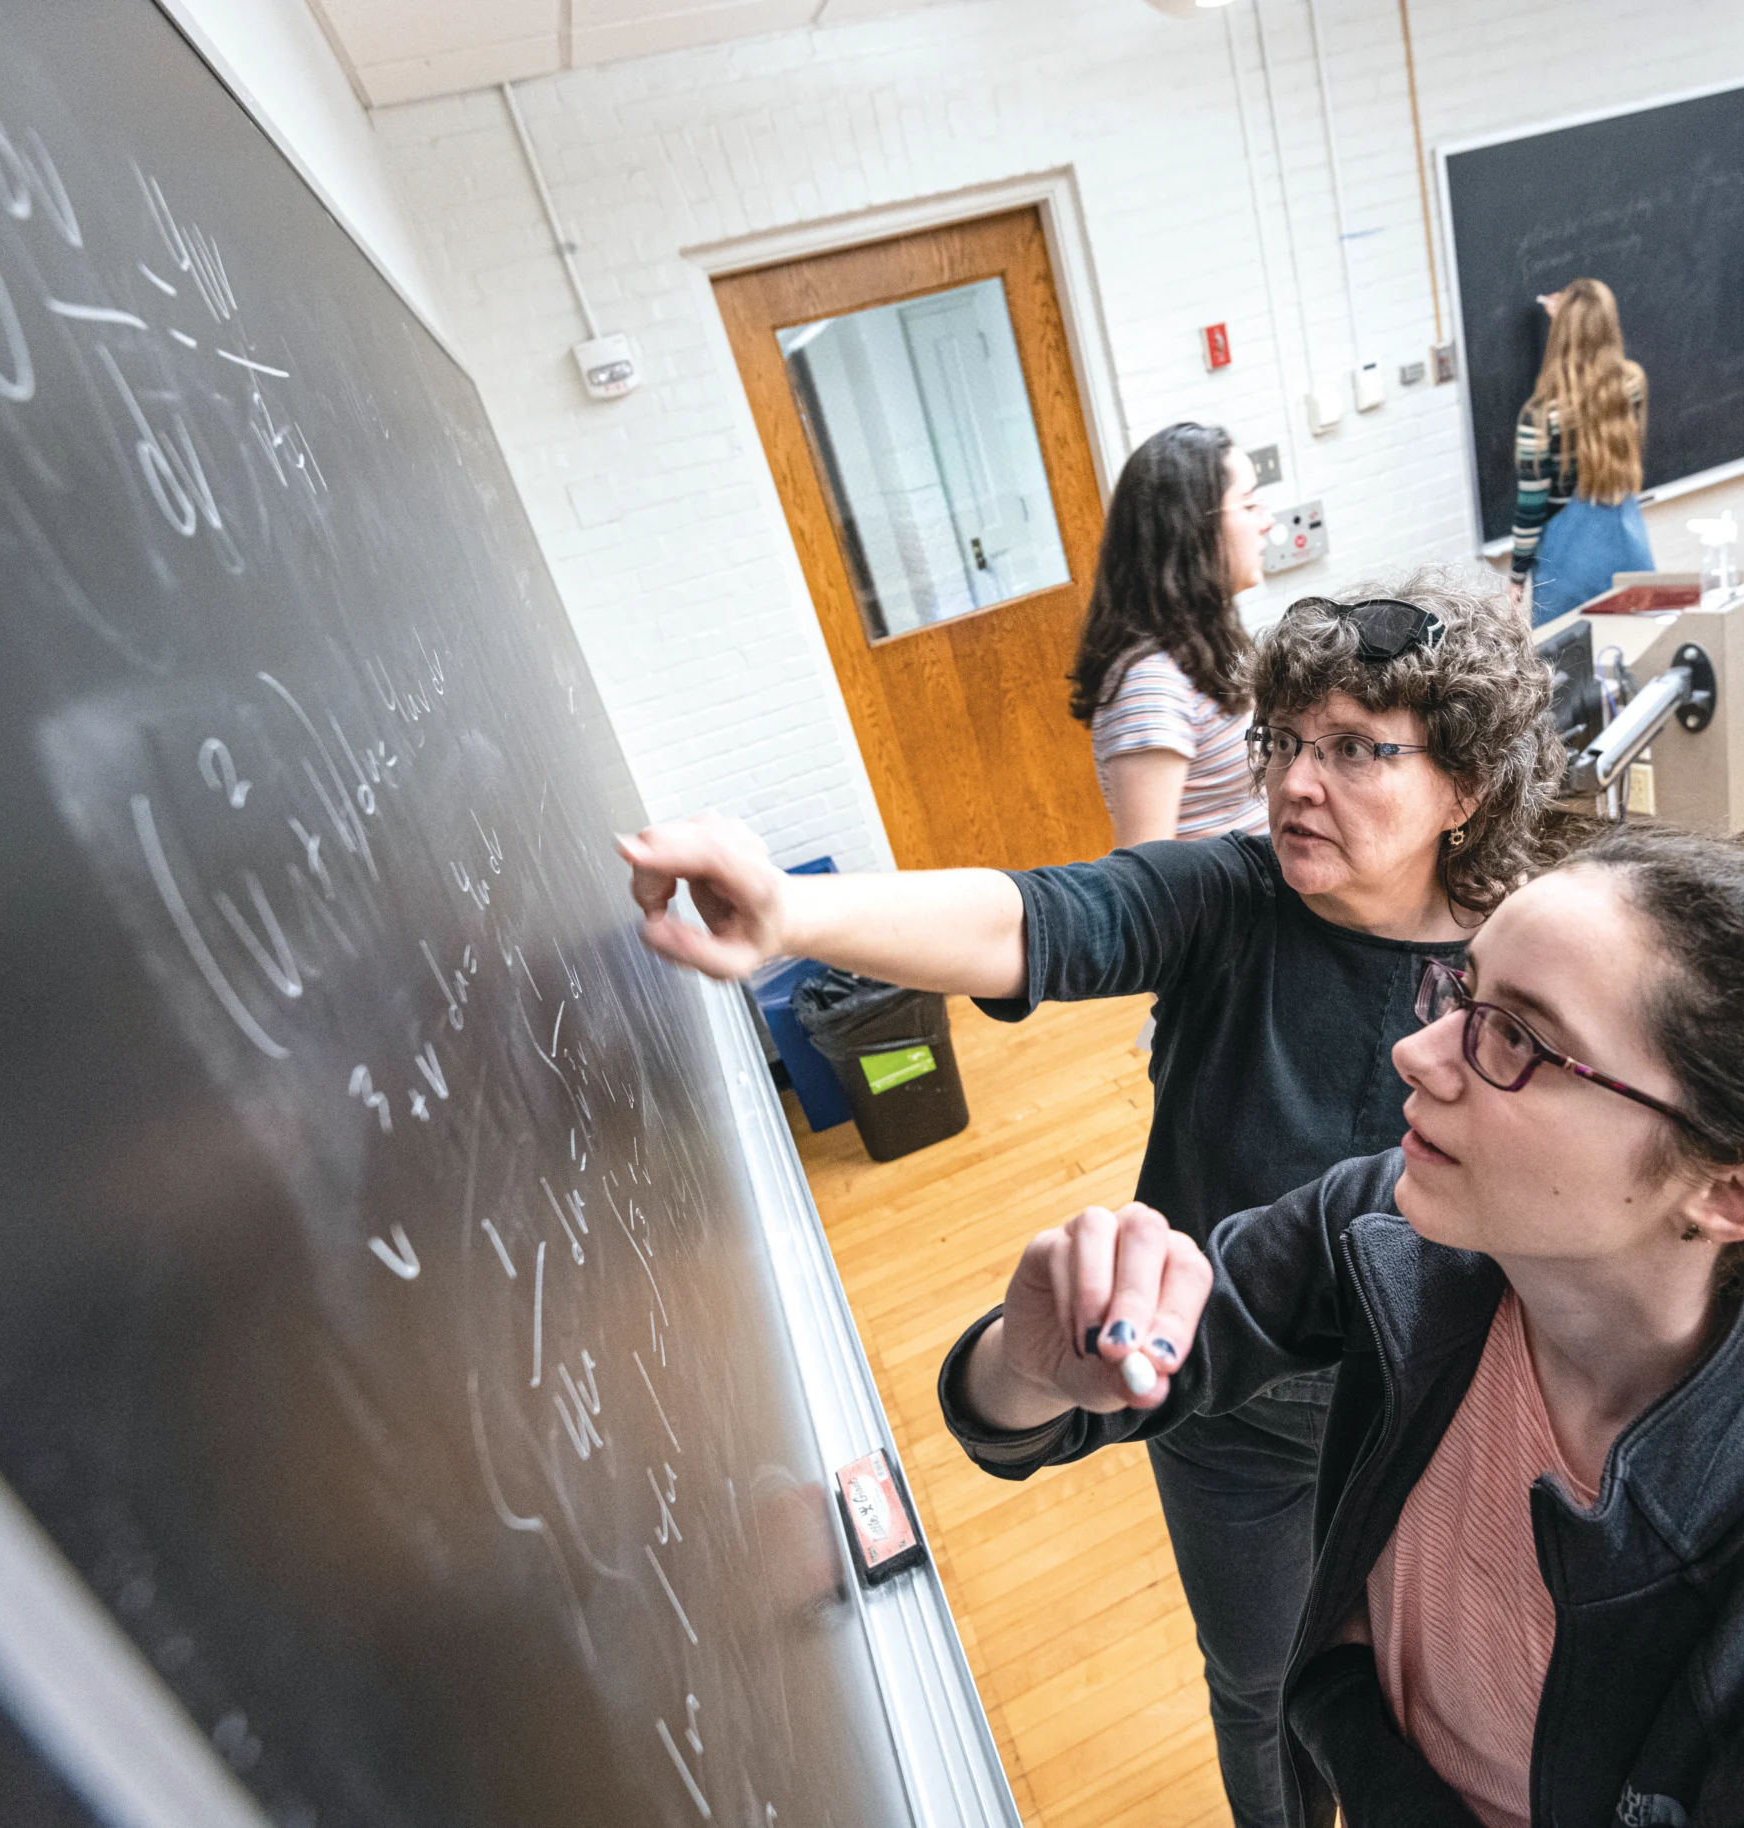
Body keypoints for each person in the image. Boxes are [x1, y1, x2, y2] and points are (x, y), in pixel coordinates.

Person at [619, 572, 1569, 1828]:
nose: (1293, 780)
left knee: (1437, 1682)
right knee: (1262, 1683)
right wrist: (795, 914)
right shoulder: (1224, 898)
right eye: (1285, 738)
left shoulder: (1528, 957)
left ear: (1466, 787)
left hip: (1444, 1399)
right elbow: (1033, 916)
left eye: (1354, 750)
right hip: (1224, 1404)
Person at [936, 824, 1744, 1828]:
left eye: (1513, 1038)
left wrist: (1346, 1720)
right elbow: (1055, 1401)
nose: (1416, 1055)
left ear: (1735, 1192)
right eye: (1458, 995)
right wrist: (1029, 1365)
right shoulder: (1393, 1232)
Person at [1069, 423, 1276, 847]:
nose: (1268, 523)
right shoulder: (1150, 683)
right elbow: (1146, 877)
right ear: (1192, 529)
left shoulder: (1204, 647)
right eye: (1250, 504)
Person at [1508, 279, 1652, 626]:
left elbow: (1531, 509)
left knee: (1568, 666)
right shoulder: (1630, 386)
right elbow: (1594, 396)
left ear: (1561, 333)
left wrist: (1517, 576)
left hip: (1569, 565)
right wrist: (1577, 314)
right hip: (1628, 544)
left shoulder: (1540, 417)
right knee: (1637, 652)